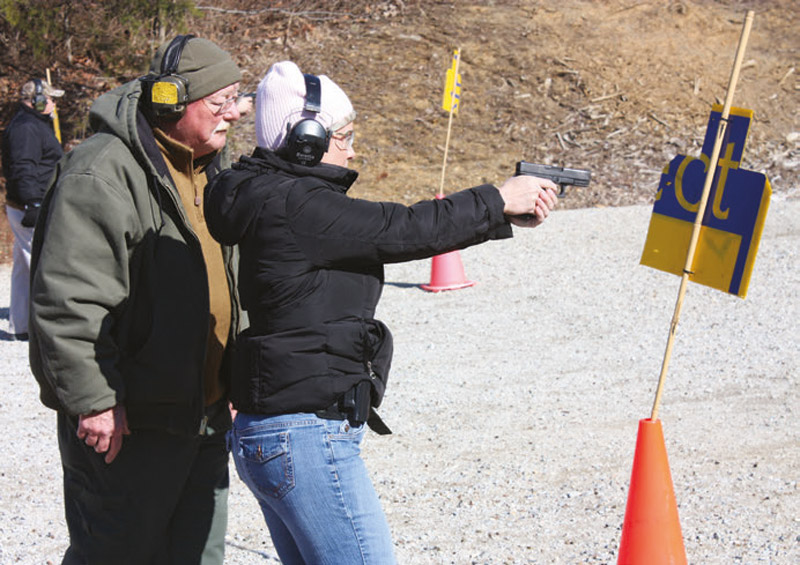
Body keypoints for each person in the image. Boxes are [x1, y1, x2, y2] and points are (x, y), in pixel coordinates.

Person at [203, 60, 559, 565]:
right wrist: (497, 200)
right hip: (304, 433)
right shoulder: (296, 206)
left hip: (280, 429)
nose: (352, 148)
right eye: (343, 135)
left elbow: (393, 230)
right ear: (304, 139)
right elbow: (405, 228)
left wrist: (497, 213)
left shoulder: (268, 196)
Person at [28, 35, 247, 564]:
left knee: (198, 556)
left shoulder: (210, 169)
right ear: (172, 101)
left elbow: (233, 285)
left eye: (238, 98)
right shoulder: (101, 173)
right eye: (219, 102)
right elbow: (68, 302)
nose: (234, 114)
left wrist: (239, 375)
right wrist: (95, 399)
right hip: (132, 424)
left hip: (204, 416)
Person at [1, 78, 64, 340]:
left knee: (24, 265)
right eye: (49, 99)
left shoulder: (34, 124)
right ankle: (43, 326)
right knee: (40, 264)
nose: (53, 103)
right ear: (36, 100)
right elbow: (23, 167)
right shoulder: (27, 128)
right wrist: (33, 203)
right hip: (30, 204)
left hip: (27, 203)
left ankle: (23, 324)